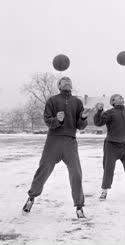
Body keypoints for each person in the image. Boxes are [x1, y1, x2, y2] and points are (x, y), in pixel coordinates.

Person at [22, 76, 90, 218]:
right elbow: (47, 121)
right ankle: (31, 198)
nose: (67, 82)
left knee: (76, 173)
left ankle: (79, 207)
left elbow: (80, 126)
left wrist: (83, 117)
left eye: (69, 81)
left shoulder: (77, 102)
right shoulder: (52, 100)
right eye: (63, 81)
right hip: (53, 141)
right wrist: (57, 120)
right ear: (59, 86)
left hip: (70, 142)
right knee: (43, 171)